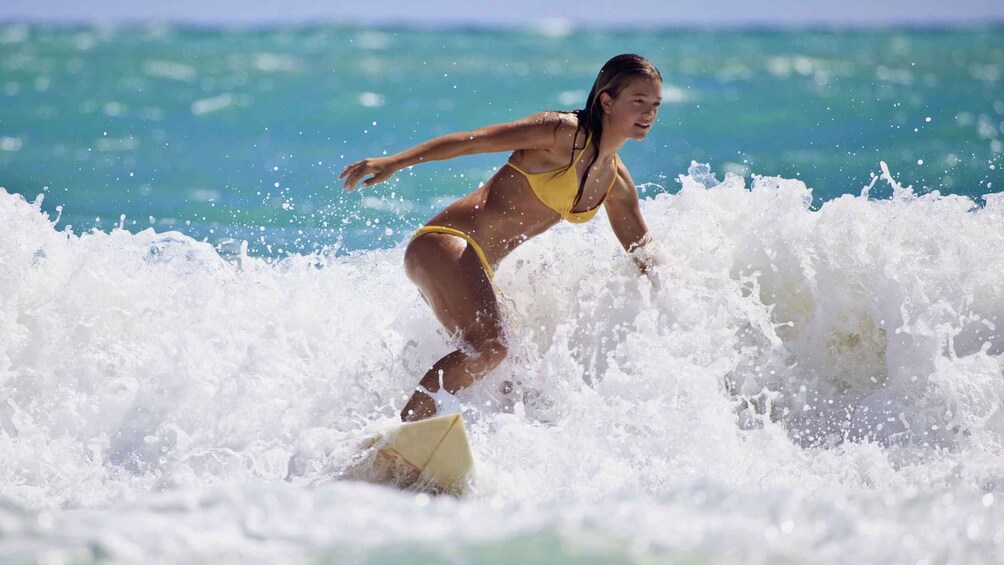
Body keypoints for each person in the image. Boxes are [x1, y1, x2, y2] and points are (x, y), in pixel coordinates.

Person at [339, 54, 663, 422]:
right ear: (607, 101)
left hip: (475, 266)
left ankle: (431, 448)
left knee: (520, 380)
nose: (649, 112)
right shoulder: (562, 133)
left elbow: (645, 254)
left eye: (655, 104)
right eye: (638, 101)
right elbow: (471, 142)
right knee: (490, 347)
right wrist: (394, 162)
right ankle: (404, 433)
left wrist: (686, 305)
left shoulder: (616, 182)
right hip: (444, 242)